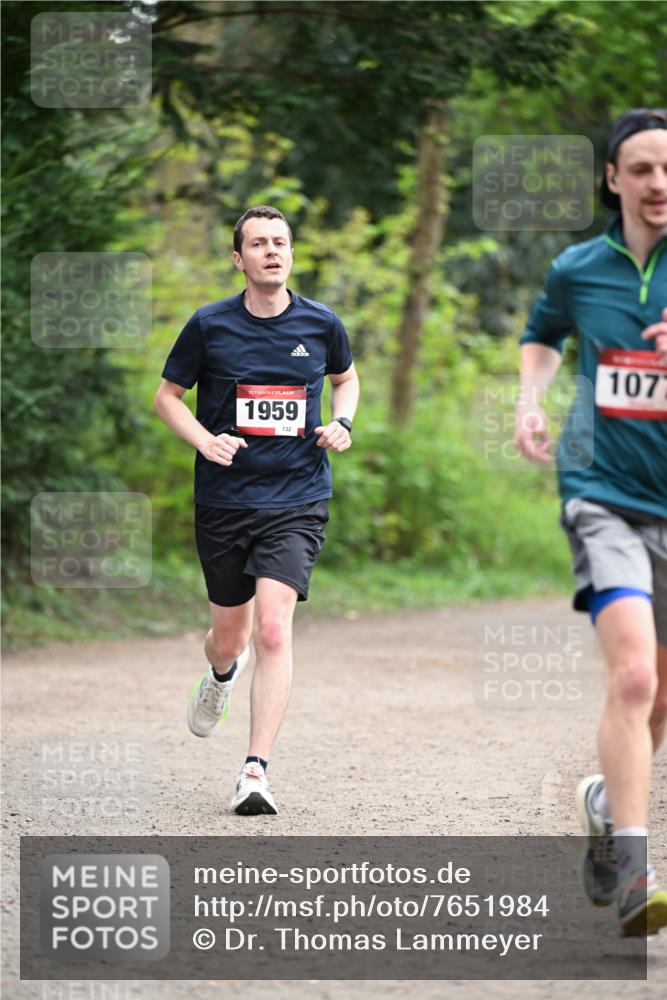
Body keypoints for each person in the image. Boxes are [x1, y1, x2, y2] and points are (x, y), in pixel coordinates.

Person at [515, 109, 667, 937]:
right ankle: (636, 869)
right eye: (640, 169)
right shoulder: (577, 268)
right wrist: (529, 399)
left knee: (659, 698)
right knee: (634, 677)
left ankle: (606, 801)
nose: (657, 185)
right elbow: (540, 334)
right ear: (612, 179)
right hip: (600, 488)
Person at [154, 205, 359, 815]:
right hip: (223, 500)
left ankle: (254, 771)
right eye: (260, 243)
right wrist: (204, 440)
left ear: (292, 254)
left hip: (296, 497)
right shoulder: (209, 325)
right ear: (238, 258)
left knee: (274, 627)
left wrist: (342, 422)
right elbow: (168, 398)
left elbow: (346, 379)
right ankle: (220, 675)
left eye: (282, 242)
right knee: (229, 636)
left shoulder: (321, 323)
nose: (273, 251)